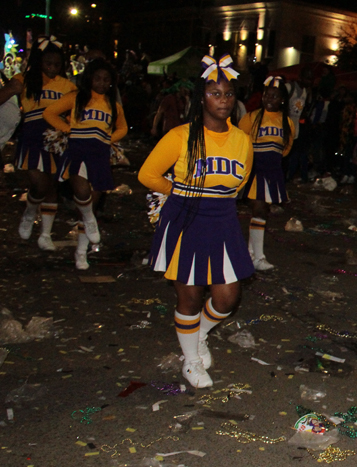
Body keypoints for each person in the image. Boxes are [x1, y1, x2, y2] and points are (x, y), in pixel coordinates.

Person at [138, 55, 254, 389]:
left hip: (222, 220)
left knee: (228, 298)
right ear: (200, 97)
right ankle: (190, 361)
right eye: (215, 93)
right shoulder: (180, 135)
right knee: (189, 296)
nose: (223, 100)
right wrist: (176, 193)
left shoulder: (242, 141)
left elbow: (241, 183)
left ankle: (199, 333)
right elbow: (147, 174)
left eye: (229, 94)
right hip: (186, 219)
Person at [43, 58, 126, 270]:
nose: (101, 83)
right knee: (81, 194)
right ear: (90, 79)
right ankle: (90, 220)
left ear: (111, 82)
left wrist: (109, 139)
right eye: (97, 78)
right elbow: (49, 113)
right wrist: (67, 129)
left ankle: (81, 253)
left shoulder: (113, 105)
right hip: (77, 150)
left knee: (91, 200)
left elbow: (122, 128)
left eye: (106, 80)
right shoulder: (76, 98)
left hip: (99, 154)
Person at [0, 37, 76, 251]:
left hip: (57, 139)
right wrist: (11, 90)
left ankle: (45, 234)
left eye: (57, 64)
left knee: (52, 184)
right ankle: (30, 211)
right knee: (38, 182)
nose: (52, 68)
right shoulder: (24, 79)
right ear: (39, 61)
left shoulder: (68, 86)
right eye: (48, 63)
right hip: (32, 136)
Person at [238, 75, 294, 271]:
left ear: (282, 99)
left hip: (272, 170)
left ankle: (250, 254)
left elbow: (286, 148)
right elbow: (239, 142)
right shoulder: (250, 117)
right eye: (267, 95)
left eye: (274, 96)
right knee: (259, 209)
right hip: (254, 169)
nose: (269, 99)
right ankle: (257, 257)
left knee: (261, 211)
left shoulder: (287, 122)